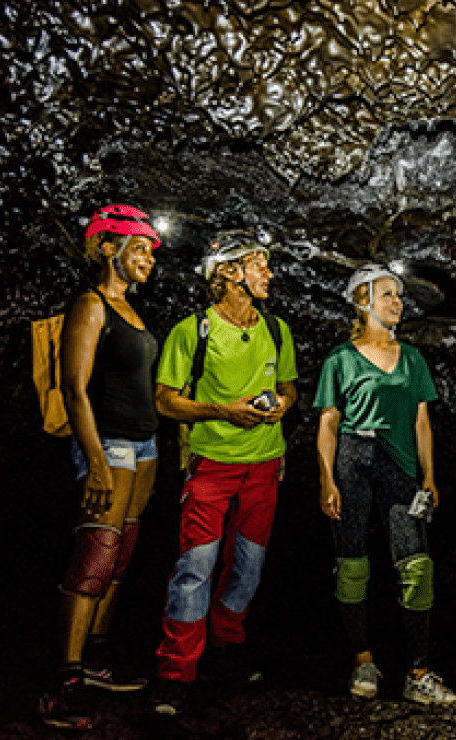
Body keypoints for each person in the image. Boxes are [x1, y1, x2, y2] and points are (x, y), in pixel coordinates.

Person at [148, 232, 298, 716]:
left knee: (248, 566)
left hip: (264, 464)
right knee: (196, 567)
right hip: (212, 465)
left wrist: (281, 405)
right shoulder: (193, 332)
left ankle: (223, 650)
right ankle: (175, 672)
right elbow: (166, 400)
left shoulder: (277, 329)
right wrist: (220, 411)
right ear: (230, 273)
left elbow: (290, 387)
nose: (269, 274)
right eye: (259, 265)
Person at [313, 263, 456, 705]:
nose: (398, 303)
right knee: (353, 565)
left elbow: (421, 421)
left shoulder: (412, 358)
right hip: (353, 462)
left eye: (398, 295)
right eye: (388, 295)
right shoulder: (340, 359)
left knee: (416, 566)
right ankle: (363, 660)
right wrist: (326, 481)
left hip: (399, 468)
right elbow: (328, 422)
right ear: (363, 302)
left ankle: (418, 671)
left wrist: (429, 475)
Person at [40, 204, 161, 731]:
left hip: (145, 445)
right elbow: (74, 387)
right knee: (96, 554)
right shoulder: (91, 305)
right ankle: (60, 684)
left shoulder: (133, 311)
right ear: (108, 248)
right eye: (139, 249)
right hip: (109, 443)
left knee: (122, 554)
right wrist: (95, 460)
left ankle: (94, 660)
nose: (148, 260)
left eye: (151, 253)